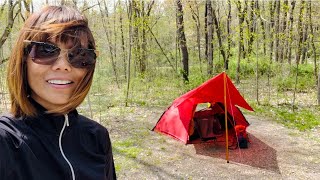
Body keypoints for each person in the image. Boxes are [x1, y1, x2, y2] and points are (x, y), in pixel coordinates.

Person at [0, 5, 116, 180]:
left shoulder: (97, 137)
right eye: (46, 50)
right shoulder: (5, 141)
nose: (63, 65)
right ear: (23, 59)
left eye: (79, 55)